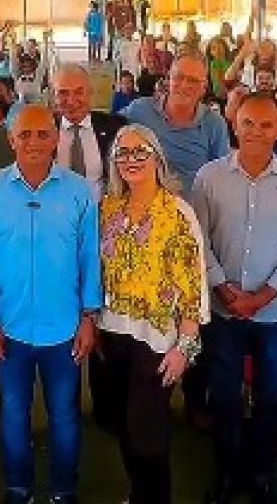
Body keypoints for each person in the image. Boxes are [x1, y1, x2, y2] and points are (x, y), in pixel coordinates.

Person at [0, 104, 102, 504]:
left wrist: (88, 317)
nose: (34, 142)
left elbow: (89, 258)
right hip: (8, 328)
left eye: (43, 134)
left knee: (64, 416)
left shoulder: (79, 191)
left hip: (65, 330)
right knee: (13, 413)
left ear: (56, 138)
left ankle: (64, 490)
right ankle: (18, 488)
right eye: (24, 135)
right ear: (10, 140)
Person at [190, 92, 277, 504]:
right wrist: (224, 288)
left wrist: (261, 297)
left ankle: (260, 474)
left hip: (274, 312)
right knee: (223, 394)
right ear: (234, 125)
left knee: (272, 396)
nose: (256, 133)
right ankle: (227, 473)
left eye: (266, 125)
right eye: (248, 124)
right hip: (223, 311)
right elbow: (199, 239)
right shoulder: (209, 177)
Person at [94, 125, 208, 504]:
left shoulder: (178, 213)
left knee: (149, 434)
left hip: (158, 341)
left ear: (157, 158)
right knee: (122, 426)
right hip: (111, 335)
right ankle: (137, 494)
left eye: (139, 151)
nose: (130, 160)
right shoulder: (108, 207)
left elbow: (194, 287)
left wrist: (185, 349)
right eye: (122, 154)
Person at [123, 56, 230, 194]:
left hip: (190, 211)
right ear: (168, 80)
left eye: (193, 80)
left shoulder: (214, 124)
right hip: (143, 208)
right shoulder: (139, 110)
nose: (184, 85)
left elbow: (220, 178)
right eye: (179, 77)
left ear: (204, 88)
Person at [53, 65, 127, 198]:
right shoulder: (45, 130)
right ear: (54, 96)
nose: (71, 101)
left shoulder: (115, 127)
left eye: (78, 92)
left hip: (103, 212)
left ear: (90, 92)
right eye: (63, 93)